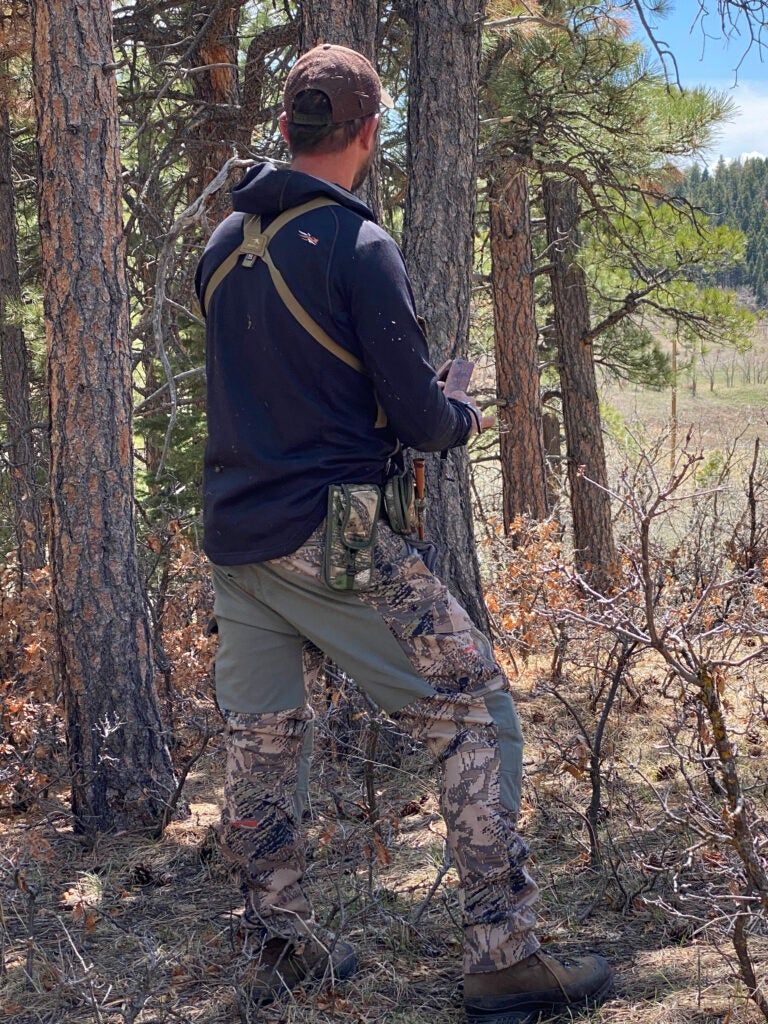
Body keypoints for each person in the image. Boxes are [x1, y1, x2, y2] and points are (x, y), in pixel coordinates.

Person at [195, 42, 613, 1024]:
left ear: (291, 127)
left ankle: (279, 946)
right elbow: (420, 423)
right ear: (370, 134)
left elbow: (276, 386)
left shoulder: (220, 247)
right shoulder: (359, 248)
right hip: (335, 530)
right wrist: (460, 412)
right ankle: (505, 959)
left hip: (235, 541)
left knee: (260, 749)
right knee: (472, 707)